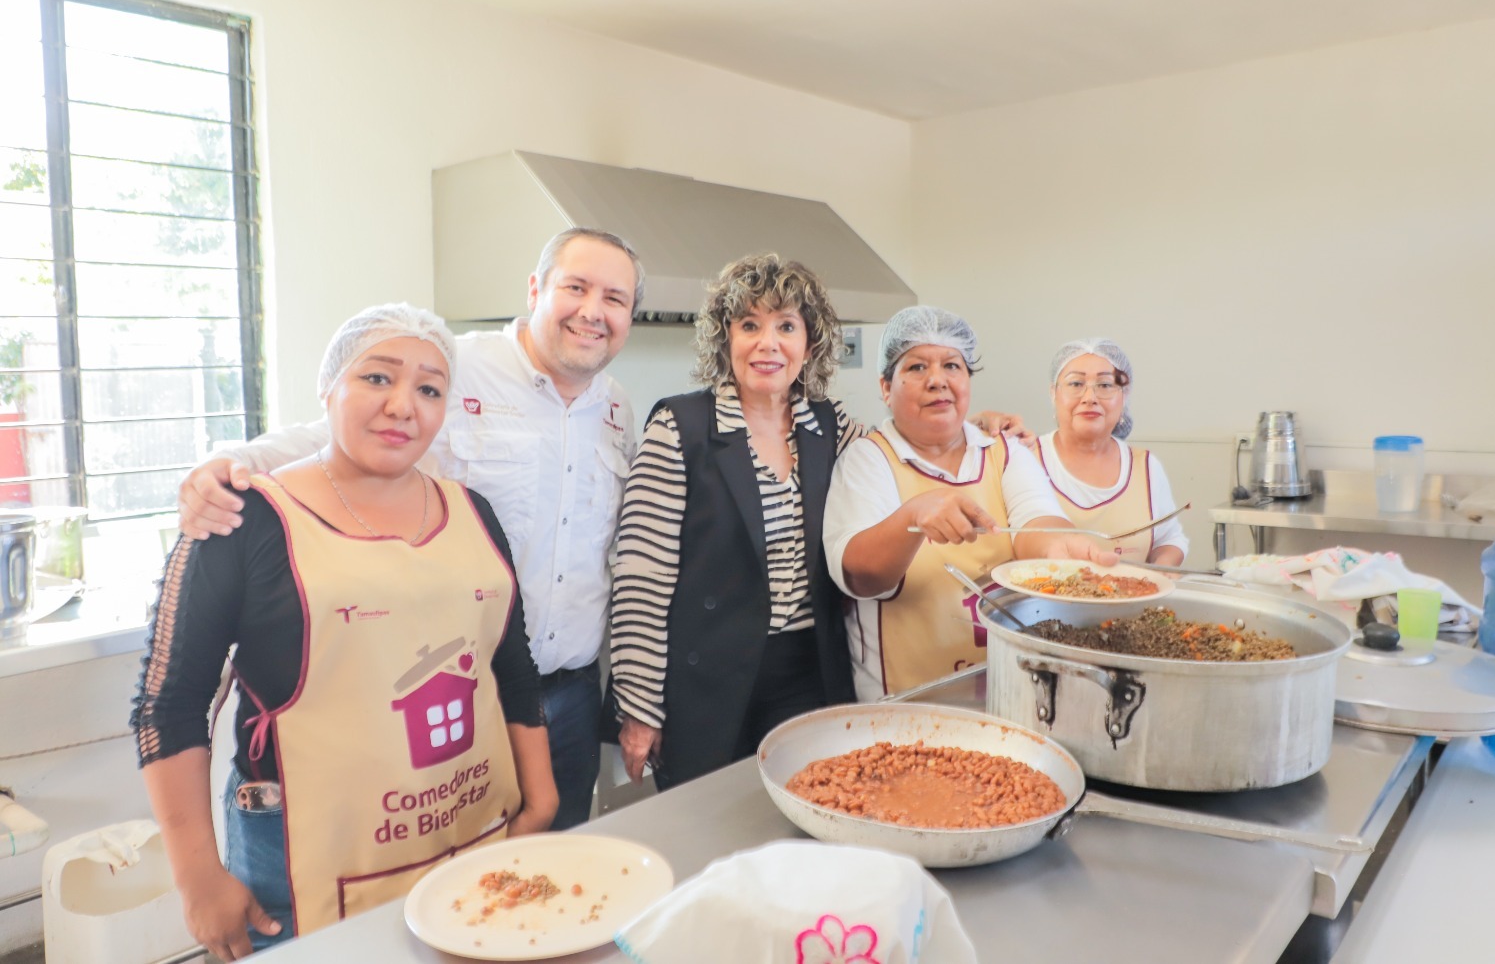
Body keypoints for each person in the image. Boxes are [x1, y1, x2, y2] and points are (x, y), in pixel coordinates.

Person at [173, 228, 642, 831]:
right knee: (441, 866)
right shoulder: (457, 366)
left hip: (573, 693)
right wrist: (227, 465)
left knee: (555, 867)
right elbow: (334, 436)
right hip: (458, 686)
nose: (592, 311)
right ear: (535, 289)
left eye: (614, 298)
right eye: (575, 287)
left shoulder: (617, 406)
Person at [132, 304, 558, 960]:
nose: (402, 406)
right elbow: (170, 704)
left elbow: (512, 664)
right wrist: (196, 878)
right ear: (328, 388)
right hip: (303, 860)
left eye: (429, 389)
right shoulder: (243, 520)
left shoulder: (474, 512)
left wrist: (543, 791)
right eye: (377, 379)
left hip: (473, 834)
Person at [607, 254, 864, 790]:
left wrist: (980, 432)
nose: (767, 343)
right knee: (710, 835)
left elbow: (901, 464)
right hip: (706, 683)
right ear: (725, 339)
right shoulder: (680, 427)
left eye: (786, 326)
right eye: (750, 324)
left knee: (804, 828)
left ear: (809, 345)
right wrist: (640, 708)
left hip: (812, 676)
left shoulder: (830, 425)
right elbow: (641, 577)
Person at [823, 306, 1119, 700]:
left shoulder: (1003, 451)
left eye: (952, 365)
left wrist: (1059, 548)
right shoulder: (868, 459)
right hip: (906, 702)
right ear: (885, 387)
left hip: (1007, 688)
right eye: (915, 368)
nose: (937, 381)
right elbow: (861, 575)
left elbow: (1035, 518)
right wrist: (913, 515)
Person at [1037, 338, 1188, 565]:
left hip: (1129, 598)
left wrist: (1159, 570)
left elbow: (1169, 538)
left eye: (1105, 385)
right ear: (1053, 393)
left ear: (1124, 395)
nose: (1090, 398)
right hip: (1042, 600)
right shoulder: (1025, 459)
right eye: (1076, 384)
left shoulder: (1145, 467)